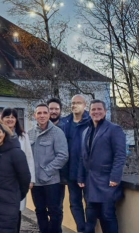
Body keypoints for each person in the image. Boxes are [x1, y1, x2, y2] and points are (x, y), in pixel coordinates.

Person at [78, 100, 126, 233]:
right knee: (90, 216)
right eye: (93, 109)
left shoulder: (114, 129)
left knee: (107, 216)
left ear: (105, 112)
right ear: (89, 112)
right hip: (90, 183)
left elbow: (120, 155)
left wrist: (115, 177)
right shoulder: (85, 132)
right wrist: (81, 177)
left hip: (107, 182)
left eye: (99, 109)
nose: (96, 112)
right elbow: (83, 157)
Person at [28, 104, 69, 233]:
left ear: (48, 115)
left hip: (52, 181)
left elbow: (63, 156)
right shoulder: (30, 134)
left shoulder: (57, 133)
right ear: (35, 116)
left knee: (54, 211)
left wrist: (47, 171)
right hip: (35, 183)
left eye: (44, 113)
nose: (42, 115)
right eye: (39, 113)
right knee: (40, 211)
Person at [0, 123, 31, 233]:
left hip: (9, 204)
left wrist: (16, 196)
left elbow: (25, 179)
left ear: (4, 133)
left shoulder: (16, 153)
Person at [59, 95, 91, 233]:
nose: (75, 105)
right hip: (71, 172)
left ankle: (89, 229)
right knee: (75, 204)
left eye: (78, 102)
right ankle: (81, 229)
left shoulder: (92, 122)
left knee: (90, 204)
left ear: (85, 105)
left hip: (88, 173)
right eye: (73, 103)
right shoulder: (64, 122)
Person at [0, 108, 36, 230]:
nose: (10, 119)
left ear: (16, 120)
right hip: (3, 179)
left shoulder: (23, 135)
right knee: (3, 210)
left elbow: (29, 157)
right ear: (2, 119)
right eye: (7, 117)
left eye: (13, 117)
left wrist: (31, 179)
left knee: (17, 210)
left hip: (18, 178)